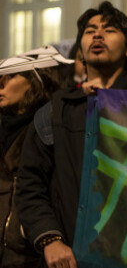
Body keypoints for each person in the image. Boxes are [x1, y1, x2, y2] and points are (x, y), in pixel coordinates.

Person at [17, 1, 127, 268]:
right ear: (81, 54)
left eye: (108, 30)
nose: (98, 35)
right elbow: (30, 186)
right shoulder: (55, 113)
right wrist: (50, 239)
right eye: (90, 31)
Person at [0, 47, 69, 267]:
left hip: (32, 253)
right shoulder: (3, 127)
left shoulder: (49, 128)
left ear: (34, 82)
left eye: (11, 76)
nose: (1, 83)